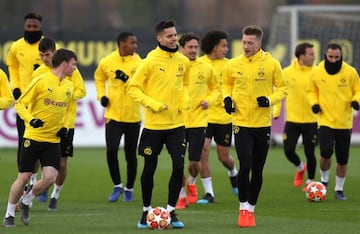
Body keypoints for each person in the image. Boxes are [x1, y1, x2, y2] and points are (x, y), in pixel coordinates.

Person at [3, 49, 77, 227]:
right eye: (74, 65)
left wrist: (64, 127)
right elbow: (20, 103)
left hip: (52, 140)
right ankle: (9, 214)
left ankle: (27, 200)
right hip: (33, 137)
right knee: (24, 177)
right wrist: (31, 120)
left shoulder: (69, 86)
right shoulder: (41, 81)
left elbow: (68, 109)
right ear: (65, 63)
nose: (75, 69)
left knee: (50, 177)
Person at [127, 19, 190, 229]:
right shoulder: (150, 61)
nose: (174, 38)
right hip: (153, 127)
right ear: (159, 38)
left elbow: (186, 85)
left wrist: (185, 100)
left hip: (177, 125)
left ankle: (171, 211)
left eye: (175, 34)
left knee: (179, 166)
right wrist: (152, 104)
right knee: (149, 168)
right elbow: (133, 88)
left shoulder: (183, 61)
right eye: (170, 36)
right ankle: (146, 211)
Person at [222, 25, 287, 227]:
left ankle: (251, 208)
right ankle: (242, 208)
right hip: (241, 123)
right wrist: (227, 98)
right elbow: (226, 84)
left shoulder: (271, 64)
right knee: (245, 165)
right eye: (243, 42)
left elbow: (283, 88)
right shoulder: (233, 64)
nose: (246, 46)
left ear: (259, 43)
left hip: (262, 125)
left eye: (250, 43)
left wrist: (269, 100)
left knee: (257, 170)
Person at [30, 38, 87, 210]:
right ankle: (33, 188)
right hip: (44, 126)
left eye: (47, 55)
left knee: (62, 164)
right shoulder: (38, 73)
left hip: (65, 125)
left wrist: (64, 95)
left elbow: (82, 90)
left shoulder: (71, 71)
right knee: (35, 162)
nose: (44, 59)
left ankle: (55, 194)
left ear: (54, 53)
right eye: (41, 55)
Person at [307, 43, 360, 201]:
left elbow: (358, 89)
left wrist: (356, 100)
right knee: (325, 152)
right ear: (325, 55)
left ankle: (339, 189)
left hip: (344, 122)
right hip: (325, 121)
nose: (333, 60)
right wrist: (314, 104)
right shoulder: (317, 71)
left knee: (343, 158)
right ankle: (324, 179)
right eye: (331, 57)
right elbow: (311, 91)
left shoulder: (350, 72)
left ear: (341, 56)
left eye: (337, 57)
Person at [94, 32, 142, 202]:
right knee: (111, 150)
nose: (135, 46)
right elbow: (99, 78)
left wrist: (126, 78)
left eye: (135, 43)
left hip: (133, 116)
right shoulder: (107, 61)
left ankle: (129, 188)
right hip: (113, 115)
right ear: (122, 44)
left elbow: (141, 85)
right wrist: (101, 96)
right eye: (132, 42)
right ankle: (117, 185)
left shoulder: (139, 63)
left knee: (130, 155)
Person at [175, 33, 220, 209]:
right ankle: (181, 196)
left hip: (198, 121)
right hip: (176, 122)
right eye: (190, 47)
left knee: (195, 163)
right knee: (177, 164)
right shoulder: (176, 66)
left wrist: (210, 100)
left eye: (195, 47)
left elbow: (217, 89)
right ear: (181, 48)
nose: (193, 50)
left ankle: (192, 181)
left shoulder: (206, 67)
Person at [196, 29, 238, 204]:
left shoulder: (230, 66)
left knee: (223, 157)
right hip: (203, 117)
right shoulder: (199, 64)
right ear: (214, 47)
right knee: (203, 153)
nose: (226, 49)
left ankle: (233, 172)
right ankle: (209, 193)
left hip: (223, 118)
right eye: (224, 46)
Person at [273, 42, 318, 191]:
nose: (314, 56)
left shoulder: (317, 72)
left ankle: (310, 182)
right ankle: (300, 167)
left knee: (310, 152)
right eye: (311, 54)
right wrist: (277, 111)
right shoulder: (287, 72)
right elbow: (280, 92)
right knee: (288, 150)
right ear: (302, 56)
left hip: (312, 120)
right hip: (292, 120)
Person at [6, 13, 44, 184]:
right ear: (24, 27)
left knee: (43, 141)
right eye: (29, 26)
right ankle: (28, 179)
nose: (31, 29)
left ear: (40, 27)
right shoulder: (16, 47)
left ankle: (42, 179)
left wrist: (43, 68)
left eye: (34, 26)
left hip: (43, 101)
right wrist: (15, 87)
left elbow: (57, 67)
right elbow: (12, 66)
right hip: (23, 102)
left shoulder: (47, 45)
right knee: (24, 141)